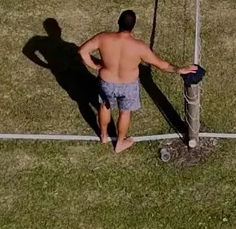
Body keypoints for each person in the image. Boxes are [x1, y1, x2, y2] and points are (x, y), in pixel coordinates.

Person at [79, 10, 197, 153]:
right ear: (133, 26)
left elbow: (82, 51)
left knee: (105, 106)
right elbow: (162, 65)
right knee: (125, 112)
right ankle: (120, 144)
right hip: (128, 86)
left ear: (118, 22)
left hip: (106, 82)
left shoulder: (103, 38)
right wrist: (180, 69)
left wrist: (96, 66)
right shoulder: (139, 47)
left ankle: (103, 136)